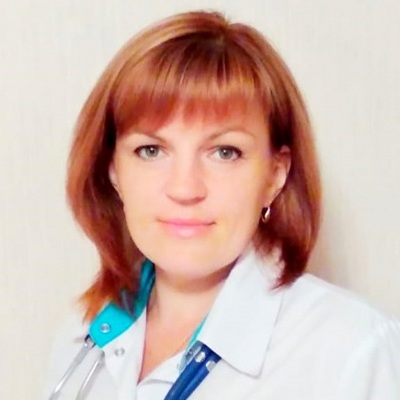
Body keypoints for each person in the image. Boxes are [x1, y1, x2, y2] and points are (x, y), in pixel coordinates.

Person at [44, 10, 400, 400]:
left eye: (224, 152)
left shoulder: (352, 351)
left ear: (274, 175)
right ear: (113, 170)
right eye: (151, 150)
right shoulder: (82, 337)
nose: (185, 188)